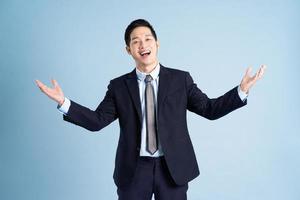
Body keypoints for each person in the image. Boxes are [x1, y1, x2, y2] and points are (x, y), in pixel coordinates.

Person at [36, 19, 266, 200]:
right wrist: (64, 102)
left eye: (147, 39)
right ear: (128, 50)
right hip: (133, 170)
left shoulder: (180, 80)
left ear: (157, 44)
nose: (142, 44)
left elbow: (210, 109)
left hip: (173, 169)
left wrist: (241, 91)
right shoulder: (118, 86)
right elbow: (97, 121)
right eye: (135, 41)